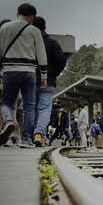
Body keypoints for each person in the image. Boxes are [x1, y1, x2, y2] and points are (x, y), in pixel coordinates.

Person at [0, 3, 47, 147]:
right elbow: (41, 55)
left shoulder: (4, 28)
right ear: (31, 16)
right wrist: (44, 76)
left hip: (10, 71)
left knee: (6, 102)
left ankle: (8, 122)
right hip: (29, 72)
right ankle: (25, 139)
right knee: (29, 106)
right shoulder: (34, 30)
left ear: (18, 13)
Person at [32, 16, 66, 147]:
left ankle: (37, 134)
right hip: (49, 81)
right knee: (45, 108)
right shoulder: (52, 43)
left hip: (30, 79)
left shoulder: (29, 42)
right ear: (45, 27)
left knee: (32, 109)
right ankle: (39, 134)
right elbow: (62, 60)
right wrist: (53, 73)